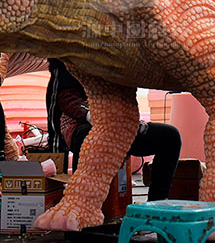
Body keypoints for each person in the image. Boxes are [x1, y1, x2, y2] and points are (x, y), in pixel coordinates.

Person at [46, 59, 181, 201]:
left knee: (169, 136)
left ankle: (157, 203)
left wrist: (127, 120)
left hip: (121, 126)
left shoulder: (122, 59)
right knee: (88, 136)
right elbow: (66, 99)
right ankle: (82, 204)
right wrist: (92, 114)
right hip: (84, 125)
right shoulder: (72, 61)